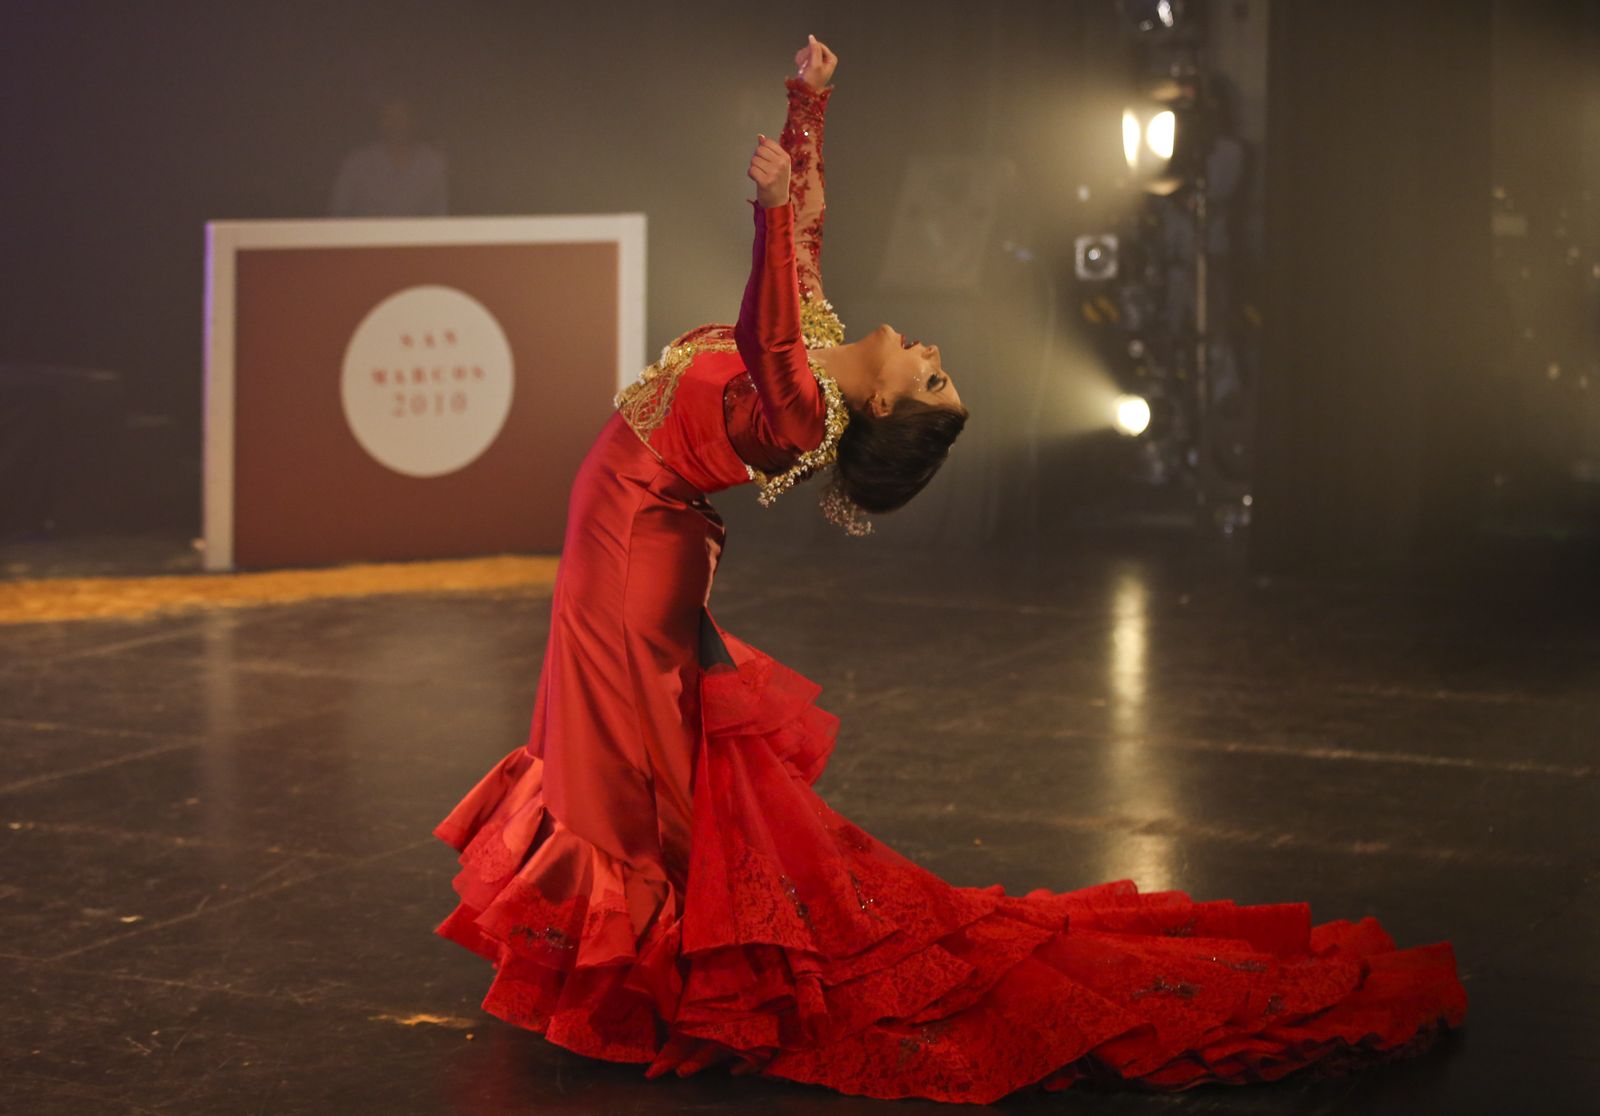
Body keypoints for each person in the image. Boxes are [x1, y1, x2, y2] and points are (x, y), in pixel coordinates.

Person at [431, 37, 1466, 1103]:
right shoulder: (827, 351)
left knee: (620, 778)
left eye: (932, 376)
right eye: (940, 367)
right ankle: (648, 968)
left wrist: (768, 212)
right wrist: (809, 104)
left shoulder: (798, 405)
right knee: (623, 764)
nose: (930, 350)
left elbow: (764, 316)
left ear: (884, 406)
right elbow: (809, 233)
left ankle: (650, 984)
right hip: (633, 534)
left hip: (633, 550)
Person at [328, 92, 449, 217]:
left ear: (413, 121)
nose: (395, 124)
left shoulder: (432, 163)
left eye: (401, 116)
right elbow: (337, 214)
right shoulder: (357, 163)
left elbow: (439, 214)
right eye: (388, 117)